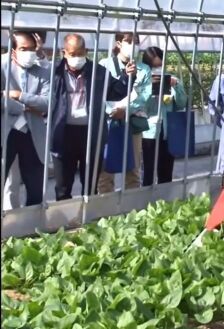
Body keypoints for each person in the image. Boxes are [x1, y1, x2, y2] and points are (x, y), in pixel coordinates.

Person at [50, 33, 136, 201]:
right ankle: (62, 221)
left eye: (80, 53)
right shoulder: (55, 72)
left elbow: (117, 92)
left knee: (89, 182)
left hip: (91, 133)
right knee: (62, 184)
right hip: (63, 132)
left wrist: (127, 76)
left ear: (87, 51)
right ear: (64, 52)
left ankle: (87, 219)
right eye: (72, 54)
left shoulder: (98, 72)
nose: (77, 57)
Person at [97, 32, 151, 193]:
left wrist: (126, 110)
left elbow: (145, 96)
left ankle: (131, 210)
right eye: (129, 41)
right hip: (109, 122)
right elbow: (101, 92)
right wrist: (113, 111)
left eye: (136, 42)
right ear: (119, 44)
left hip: (132, 122)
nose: (133, 46)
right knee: (106, 169)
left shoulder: (143, 69)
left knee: (133, 169)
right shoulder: (105, 64)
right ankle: (105, 209)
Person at [1, 31, 50, 206]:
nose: (28, 53)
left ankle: (33, 228)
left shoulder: (43, 72)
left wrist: (18, 95)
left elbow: (47, 103)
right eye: (23, 48)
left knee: (35, 185)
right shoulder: (2, 67)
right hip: (7, 131)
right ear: (13, 51)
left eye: (31, 49)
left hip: (33, 134)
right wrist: (24, 108)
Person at [140, 46, 187, 186]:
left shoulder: (171, 79)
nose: (157, 69)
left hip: (167, 132)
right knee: (148, 171)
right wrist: (150, 88)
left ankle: (164, 202)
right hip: (149, 133)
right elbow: (140, 106)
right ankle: (147, 203)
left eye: (160, 65)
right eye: (153, 66)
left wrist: (176, 86)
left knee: (166, 171)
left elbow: (181, 104)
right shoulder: (141, 82)